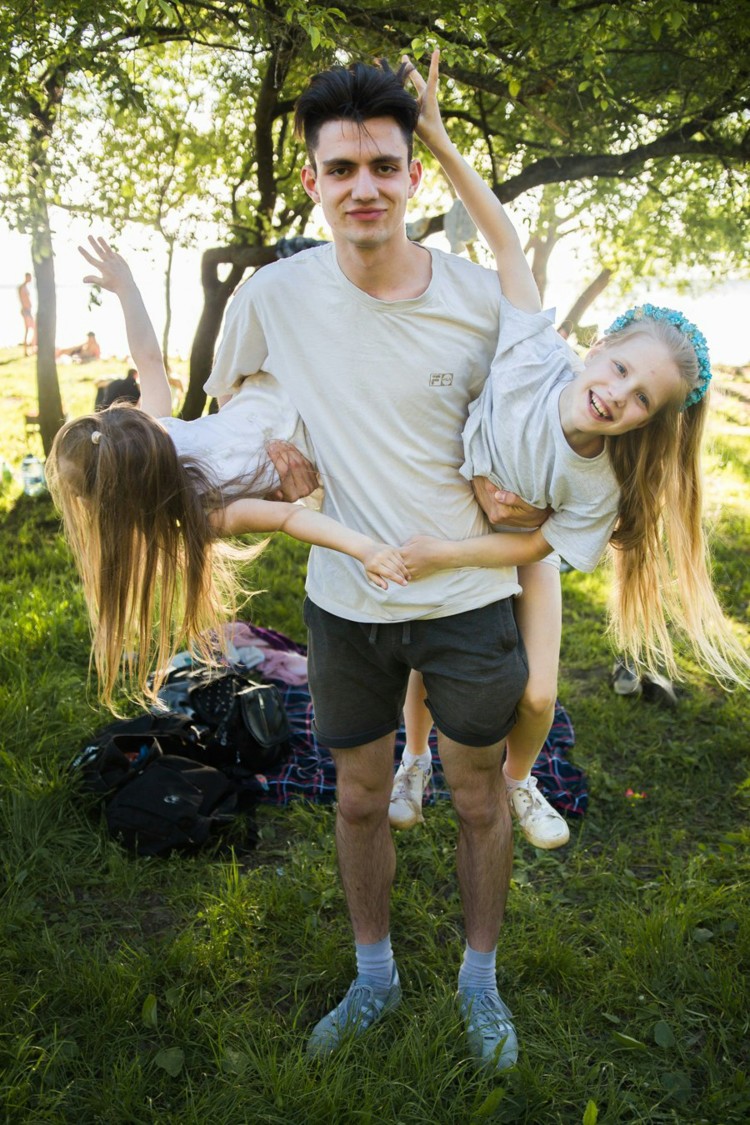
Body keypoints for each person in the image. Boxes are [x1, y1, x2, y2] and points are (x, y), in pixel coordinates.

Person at [204, 59, 544, 1073]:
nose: (365, 187)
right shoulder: (274, 295)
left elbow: (534, 426)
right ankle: (373, 975)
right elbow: (236, 411)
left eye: (384, 166)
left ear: (413, 177)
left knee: (477, 796)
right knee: (357, 797)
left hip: (470, 593)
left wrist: (524, 494)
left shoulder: (479, 298)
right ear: (312, 179)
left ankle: (479, 981)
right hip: (346, 599)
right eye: (343, 167)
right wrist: (280, 449)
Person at [388, 52, 750, 846]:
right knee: (424, 657)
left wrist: (459, 551)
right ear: (597, 347)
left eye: (641, 399)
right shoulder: (532, 350)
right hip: (458, 511)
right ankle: (412, 758)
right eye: (620, 369)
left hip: (519, 547)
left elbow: (535, 544)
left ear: (648, 421)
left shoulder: (602, 480)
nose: (619, 394)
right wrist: (437, 139)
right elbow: (505, 240)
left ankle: (518, 780)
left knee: (538, 692)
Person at [46, 238, 409, 708]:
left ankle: (352, 268)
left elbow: (148, 360)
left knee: (272, 303)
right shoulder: (203, 512)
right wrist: (366, 549)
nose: (134, 412)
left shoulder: (158, 437)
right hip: (322, 427)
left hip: (277, 385)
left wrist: (127, 288)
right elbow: (289, 517)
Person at [18, 272, 36, 356]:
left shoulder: (25, 287)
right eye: (30, 277)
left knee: (31, 329)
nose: (31, 279)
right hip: (26, 311)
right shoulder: (22, 287)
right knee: (29, 329)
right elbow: (22, 299)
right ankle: (27, 350)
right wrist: (24, 309)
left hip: (28, 310)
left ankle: (31, 348)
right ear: (26, 277)